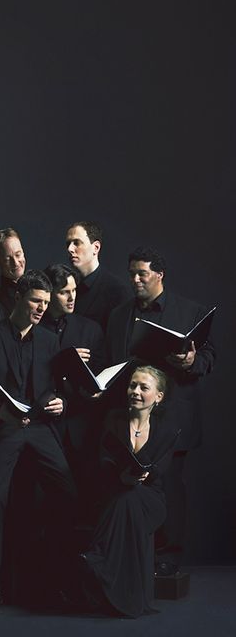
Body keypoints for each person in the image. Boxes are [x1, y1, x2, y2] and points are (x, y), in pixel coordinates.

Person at [103, 246, 215, 577]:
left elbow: (209, 356)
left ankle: (168, 554)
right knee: (130, 482)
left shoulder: (190, 311)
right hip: (130, 414)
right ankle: (135, 553)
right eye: (132, 274)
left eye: (142, 273)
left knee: (170, 485)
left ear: (159, 275)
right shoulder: (119, 315)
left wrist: (192, 361)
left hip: (174, 414)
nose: (135, 280)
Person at [0, 272, 76, 620]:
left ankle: (54, 581)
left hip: (40, 427)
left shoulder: (50, 340)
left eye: (45, 303)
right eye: (35, 301)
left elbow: (56, 388)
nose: (42, 309)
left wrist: (60, 402)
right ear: (18, 297)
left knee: (67, 492)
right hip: (5, 427)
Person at [80, 366, 178, 617]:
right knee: (126, 497)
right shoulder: (113, 418)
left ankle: (98, 558)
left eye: (144, 387)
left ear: (158, 396)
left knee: (131, 496)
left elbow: (160, 470)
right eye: (132, 385)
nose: (135, 391)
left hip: (151, 499)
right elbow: (103, 459)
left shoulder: (166, 428)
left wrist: (144, 475)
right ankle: (127, 598)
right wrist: (120, 476)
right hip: (118, 492)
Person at [40, 263, 106, 479]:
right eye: (64, 292)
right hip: (44, 424)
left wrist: (96, 391)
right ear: (49, 294)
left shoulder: (90, 329)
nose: (72, 297)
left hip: (82, 426)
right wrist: (64, 358)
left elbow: (102, 373)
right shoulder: (34, 328)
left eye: (74, 290)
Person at [65, 221, 127, 332]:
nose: (70, 249)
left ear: (96, 248)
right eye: (68, 243)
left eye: (77, 243)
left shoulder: (117, 290)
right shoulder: (65, 286)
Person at [0, 228, 26, 313]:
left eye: (18, 254)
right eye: (7, 259)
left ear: (23, 252)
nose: (16, 263)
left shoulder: (36, 287)